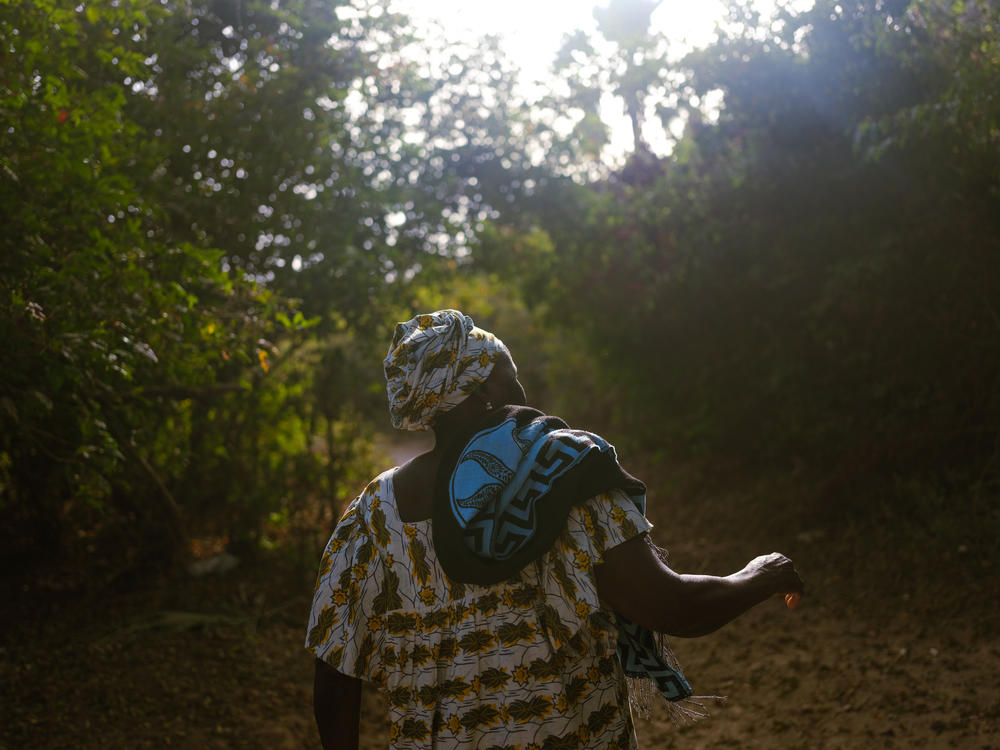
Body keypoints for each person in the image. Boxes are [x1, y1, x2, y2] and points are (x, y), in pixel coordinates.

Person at [306, 310, 803, 749]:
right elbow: (670, 606)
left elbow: (333, 676)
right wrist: (760, 574)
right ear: (482, 389)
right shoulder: (568, 469)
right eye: (512, 378)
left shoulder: (373, 513)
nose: (525, 394)